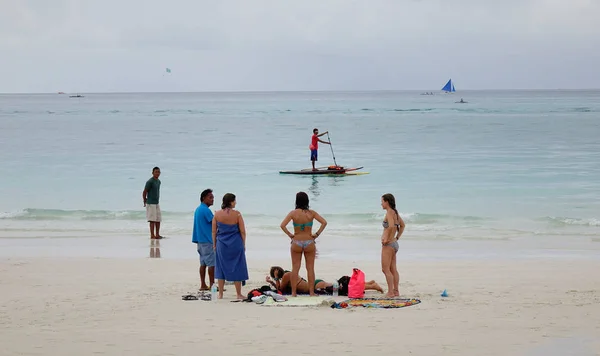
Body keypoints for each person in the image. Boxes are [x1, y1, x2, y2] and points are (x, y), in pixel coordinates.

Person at [280, 192, 327, 296]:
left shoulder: (293, 213)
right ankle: (311, 292)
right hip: (309, 242)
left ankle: (293, 293)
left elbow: (282, 225)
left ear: (296, 201)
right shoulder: (312, 213)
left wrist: (290, 235)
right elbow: (324, 222)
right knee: (310, 268)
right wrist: (316, 234)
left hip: (296, 241)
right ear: (307, 201)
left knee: (295, 268)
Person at [212, 193, 248, 300]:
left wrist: (214, 244)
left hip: (221, 244)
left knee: (221, 267)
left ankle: (221, 294)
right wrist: (243, 243)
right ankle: (238, 294)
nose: (235, 202)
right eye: (234, 201)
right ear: (230, 202)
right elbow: (243, 231)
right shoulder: (237, 214)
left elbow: (214, 231)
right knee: (237, 267)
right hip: (236, 243)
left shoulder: (217, 214)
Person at [266, 266, 383, 295]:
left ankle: (372, 286)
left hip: (318, 286)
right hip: (316, 284)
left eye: (276, 276)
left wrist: (274, 279)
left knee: (343, 288)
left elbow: (280, 289)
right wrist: (272, 282)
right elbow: (280, 287)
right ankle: (369, 283)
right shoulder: (287, 275)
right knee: (340, 287)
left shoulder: (286, 276)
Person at [380, 193, 406, 297]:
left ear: (386, 202)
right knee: (393, 269)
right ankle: (396, 291)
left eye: (382, 201)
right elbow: (403, 225)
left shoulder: (390, 212)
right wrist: (397, 237)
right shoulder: (395, 212)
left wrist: (387, 239)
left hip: (389, 245)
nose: (381, 204)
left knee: (385, 269)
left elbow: (390, 226)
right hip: (394, 244)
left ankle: (390, 292)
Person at [192, 189, 215, 291]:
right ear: (204, 198)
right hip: (207, 240)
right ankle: (212, 285)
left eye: (213, 197)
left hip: (200, 240)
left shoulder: (198, 209)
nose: (212, 199)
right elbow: (214, 222)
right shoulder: (205, 210)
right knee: (211, 264)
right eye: (210, 197)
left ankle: (203, 284)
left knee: (203, 264)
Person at [142, 167, 162, 239]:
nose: (157, 173)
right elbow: (144, 191)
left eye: (158, 172)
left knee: (158, 219)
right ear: (152, 173)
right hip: (150, 203)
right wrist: (145, 200)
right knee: (152, 220)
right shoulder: (150, 181)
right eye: (156, 172)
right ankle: (152, 235)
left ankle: (157, 234)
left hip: (156, 203)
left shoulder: (158, 181)